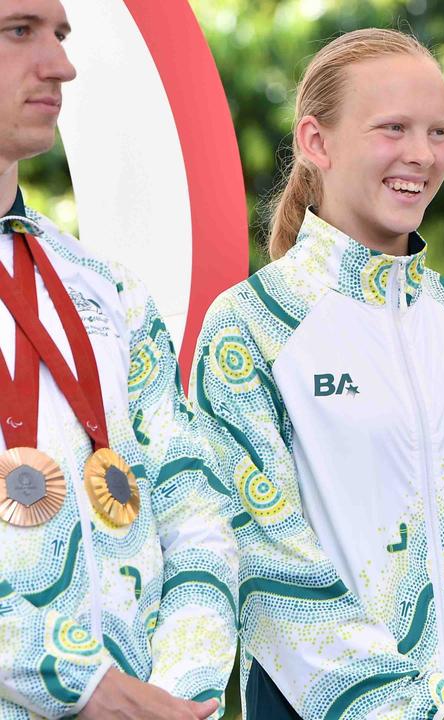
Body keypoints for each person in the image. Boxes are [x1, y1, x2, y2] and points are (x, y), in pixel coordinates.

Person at [189, 28, 444, 720]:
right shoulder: (250, 328)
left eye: (439, 131)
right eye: (393, 128)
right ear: (317, 143)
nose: (422, 155)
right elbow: (263, 558)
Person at [0, 1, 238, 718]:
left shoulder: (106, 288)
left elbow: (195, 511)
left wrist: (177, 693)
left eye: (62, 35)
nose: (61, 65)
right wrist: (84, 689)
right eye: (19, 31)